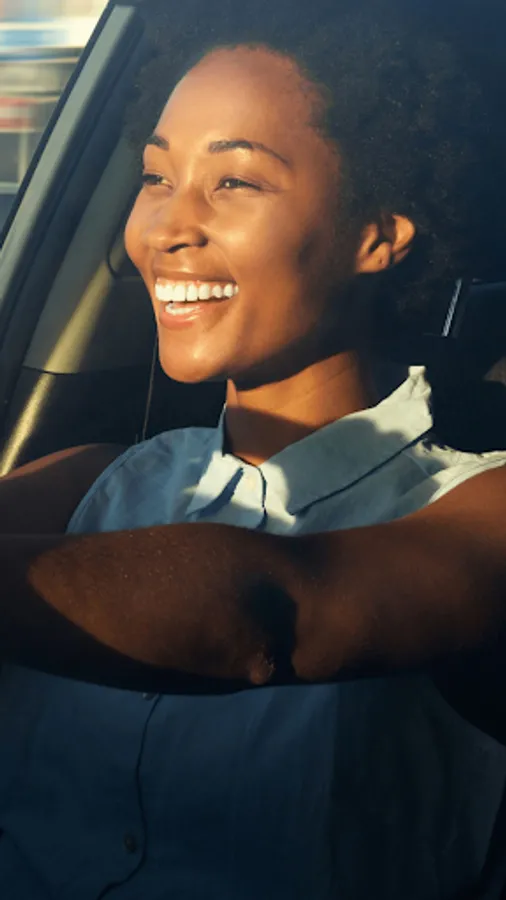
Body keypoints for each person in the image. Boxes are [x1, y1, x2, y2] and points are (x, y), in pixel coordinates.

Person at [2, 2, 506, 896]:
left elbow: (270, 615)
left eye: (233, 182)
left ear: (378, 233)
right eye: (156, 176)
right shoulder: (95, 481)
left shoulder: (476, 509)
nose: (165, 227)